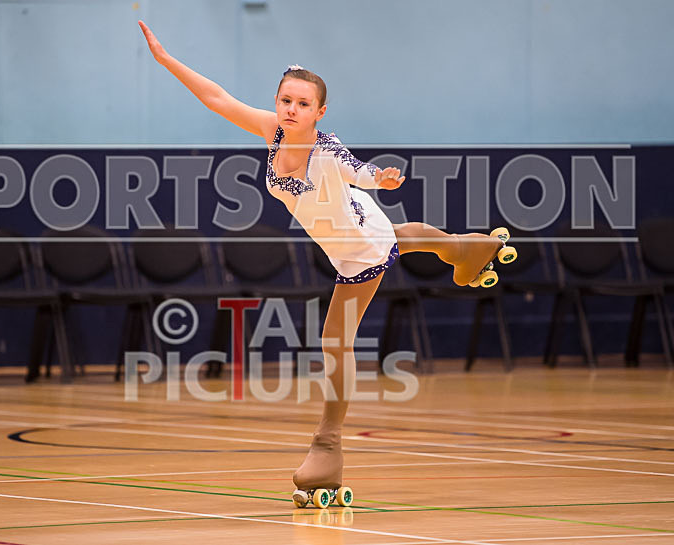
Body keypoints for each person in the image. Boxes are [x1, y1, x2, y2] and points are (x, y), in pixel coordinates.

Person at [137, 20, 511, 502]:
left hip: (357, 248)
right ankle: (467, 247)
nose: (291, 110)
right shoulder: (272, 130)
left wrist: (385, 178)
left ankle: (327, 446)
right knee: (401, 237)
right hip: (357, 229)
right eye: (285, 101)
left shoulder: (327, 151)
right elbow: (218, 98)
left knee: (335, 340)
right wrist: (167, 61)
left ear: (320, 111)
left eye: (303, 104)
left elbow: (361, 172)